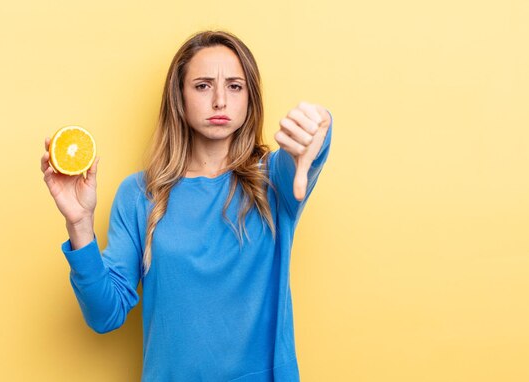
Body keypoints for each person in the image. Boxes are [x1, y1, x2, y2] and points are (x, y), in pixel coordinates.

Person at [40, 30, 333, 381]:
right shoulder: (139, 193)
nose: (220, 101)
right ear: (179, 96)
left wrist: (319, 124)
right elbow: (105, 315)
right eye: (203, 85)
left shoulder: (273, 179)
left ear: (250, 98)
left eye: (235, 86)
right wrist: (79, 224)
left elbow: (311, 145)